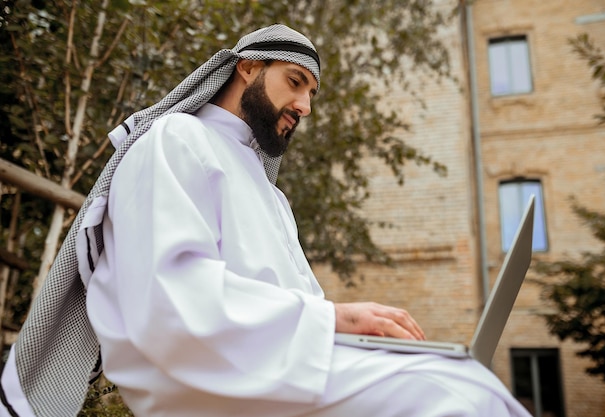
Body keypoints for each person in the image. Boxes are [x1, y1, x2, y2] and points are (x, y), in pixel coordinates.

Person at [1, 25, 532, 417]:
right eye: (295, 81)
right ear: (248, 68)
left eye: (311, 93)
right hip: (222, 384)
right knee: (463, 398)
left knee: (463, 376)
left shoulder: (273, 200)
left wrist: (368, 338)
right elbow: (169, 301)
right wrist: (337, 319)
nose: (304, 106)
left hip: (288, 369)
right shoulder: (175, 140)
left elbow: (297, 309)